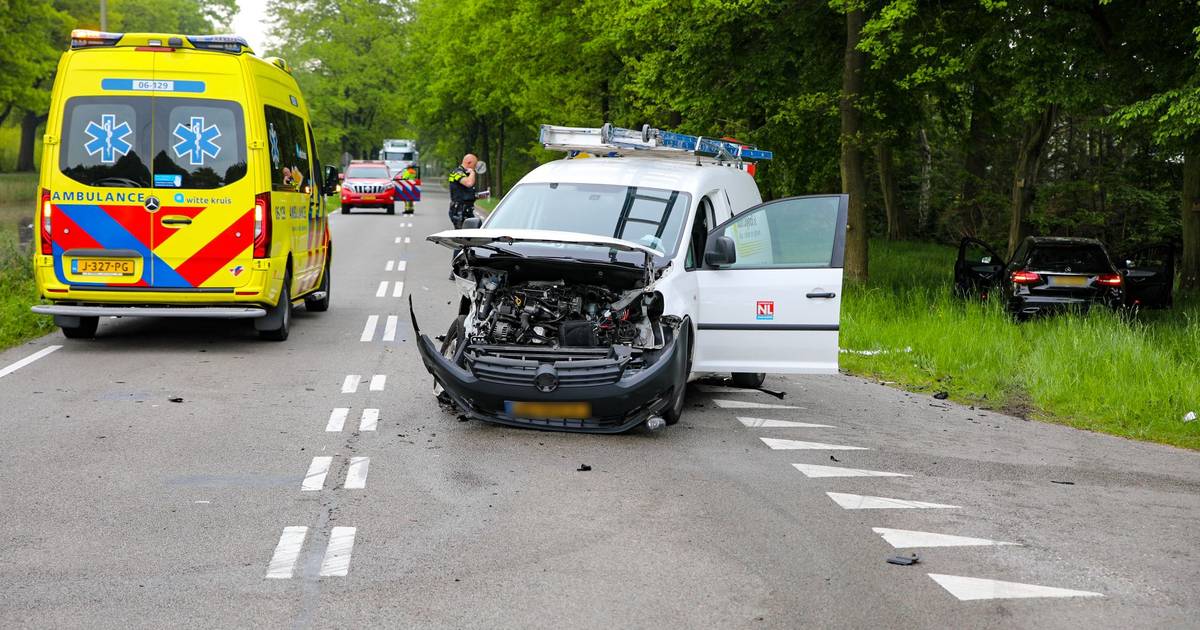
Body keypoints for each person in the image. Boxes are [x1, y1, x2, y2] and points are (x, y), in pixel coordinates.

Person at [447, 153, 479, 229]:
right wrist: (472, 173)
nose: (475, 168)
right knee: (462, 234)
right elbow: (469, 183)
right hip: (459, 210)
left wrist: (476, 195)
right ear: (469, 163)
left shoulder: (466, 174)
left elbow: (465, 192)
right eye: (474, 165)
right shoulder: (457, 173)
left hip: (467, 210)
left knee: (472, 232)